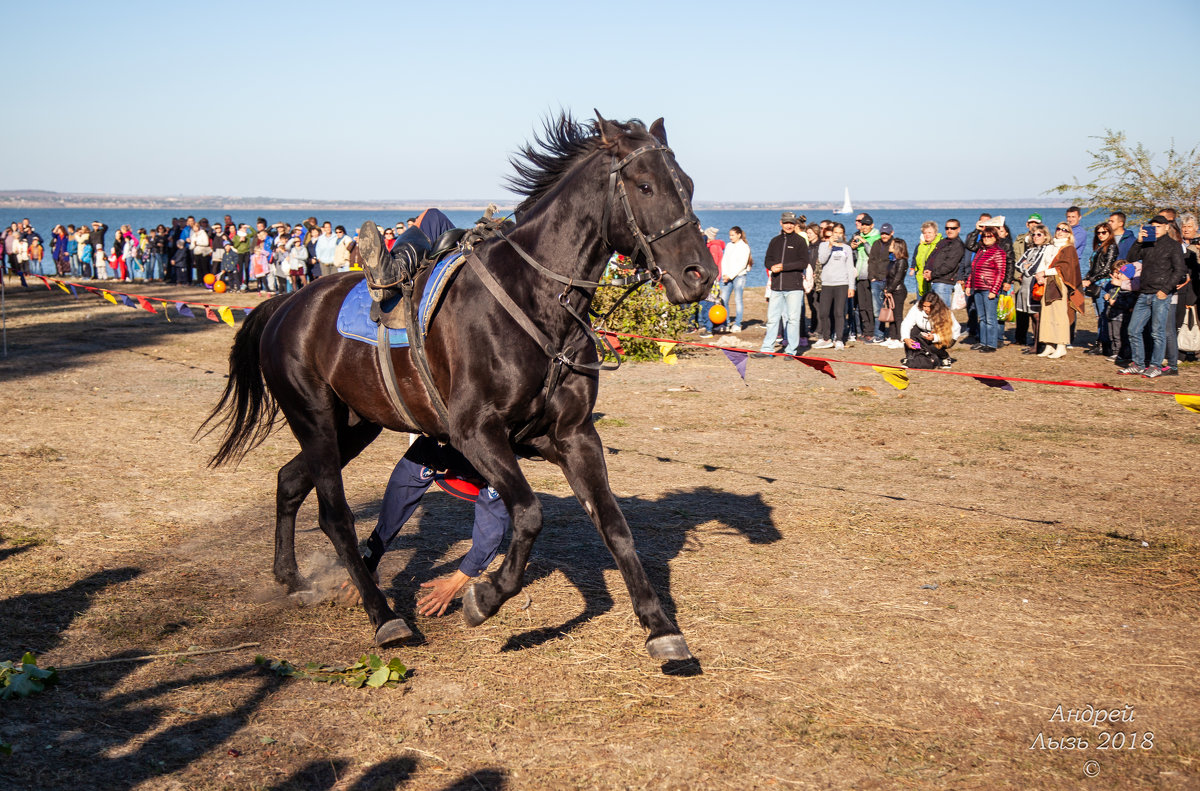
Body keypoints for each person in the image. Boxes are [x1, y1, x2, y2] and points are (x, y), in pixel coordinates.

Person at [350, 437, 510, 617]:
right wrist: (369, 563)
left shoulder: (495, 464)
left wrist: (453, 584)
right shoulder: (435, 449)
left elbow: (490, 534)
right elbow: (400, 498)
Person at [1120, 214, 1187, 377]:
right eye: (1153, 226)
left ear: (1166, 227)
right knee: (1133, 329)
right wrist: (1139, 241)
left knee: (1157, 331)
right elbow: (1130, 259)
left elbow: (1180, 271)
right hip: (1144, 293)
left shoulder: (1173, 246)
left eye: (1159, 226)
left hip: (1161, 294)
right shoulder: (1147, 244)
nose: (1155, 229)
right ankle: (1138, 363)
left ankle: (1156, 365)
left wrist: (1165, 290)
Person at [759, 212, 808, 356]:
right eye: (786, 222)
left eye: (791, 223)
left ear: (795, 225)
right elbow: (767, 260)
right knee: (772, 319)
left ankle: (791, 351)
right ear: (781, 223)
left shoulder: (800, 241)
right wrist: (772, 267)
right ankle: (767, 349)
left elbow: (803, 262)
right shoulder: (775, 241)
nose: (789, 225)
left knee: (793, 319)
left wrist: (783, 266)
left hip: (794, 287)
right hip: (776, 287)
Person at [1035, 223, 1083, 359]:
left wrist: (1045, 272)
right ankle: (1049, 344)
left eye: (1064, 230)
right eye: (1058, 229)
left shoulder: (1068, 249)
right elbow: (1042, 263)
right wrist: (1039, 275)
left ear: (1069, 234)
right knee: (1046, 314)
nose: (1060, 232)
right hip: (1046, 281)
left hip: (1059, 283)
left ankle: (1061, 345)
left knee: (1059, 314)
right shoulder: (1050, 247)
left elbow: (1063, 269)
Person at [1011, 223, 1053, 352]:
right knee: (1031, 315)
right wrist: (1025, 267)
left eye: (1039, 234)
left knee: (1037, 315)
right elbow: (1018, 265)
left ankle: (1039, 344)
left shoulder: (1047, 249)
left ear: (1045, 236)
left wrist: (1026, 268)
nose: (1035, 237)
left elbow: (1033, 269)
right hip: (1025, 285)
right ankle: (1036, 343)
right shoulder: (1030, 249)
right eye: (1033, 234)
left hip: (1035, 285)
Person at [812, 223, 854, 349]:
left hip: (842, 283)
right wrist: (830, 246)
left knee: (839, 312)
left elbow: (850, 268)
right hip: (827, 284)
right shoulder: (823, 245)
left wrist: (851, 286)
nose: (837, 235)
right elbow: (822, 260)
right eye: (835, 232)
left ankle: (839, 338)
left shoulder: (847, 248)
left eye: (840, 233)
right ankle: (826, 338)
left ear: (843, 234)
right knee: (824, 312)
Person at [965, 227, 1006, 353]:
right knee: (982, 317)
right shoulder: (980, 251)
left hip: (989, 288)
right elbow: (974, 269)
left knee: (990, 318)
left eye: (990, 236)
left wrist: (994, 290)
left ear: (995, 237)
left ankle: (992, 344)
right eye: (984, 236)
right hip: (977, 287)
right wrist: (968, 285)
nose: (987, 239)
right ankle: (983, 342)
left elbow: (1000, 273)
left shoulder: (998, 252)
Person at [1082, 222, 1120, 356]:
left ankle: (1105, 344)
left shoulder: (1111, 247)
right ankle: (1101, 342)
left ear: (1109, 233)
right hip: (1096, 284)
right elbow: (1094, 267)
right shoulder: (1099, 247)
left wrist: (1090, 280)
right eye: (1098, 233)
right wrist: (1086, 277)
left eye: (1104, 232)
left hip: (1104, 284)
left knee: (1104, 315)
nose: (1101, 235)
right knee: (1099, 315)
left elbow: (1107, 268)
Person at [899, 292, 960, 368]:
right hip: (927, 332)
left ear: (935, 306)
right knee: (912, 334)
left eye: (929, 307)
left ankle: (944, 356)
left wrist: (935, 337)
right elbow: (906, 323)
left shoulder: (944, 313)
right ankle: (912, 357)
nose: (925, 309)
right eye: (924, 306)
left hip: (948, 336)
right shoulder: (917, 308)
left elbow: (950, 333)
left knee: (930, 346)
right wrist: (906, 338)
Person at [850, 213, 882, 343]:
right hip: (859, 275)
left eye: (867, 225)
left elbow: (873, 255)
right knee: (861, 306)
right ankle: (864, 331)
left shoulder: (876, 238)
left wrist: (865, 242)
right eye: (863, 225)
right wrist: (853, 248)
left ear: (872, 225)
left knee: (870, 306)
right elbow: (855, 256)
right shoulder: (858, 236)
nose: (864, 227)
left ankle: (871, 332)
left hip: (870, 275)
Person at [922, 219, 965, 305]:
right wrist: (926, 269)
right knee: (934, 311)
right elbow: (931, 257)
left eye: (953, 228)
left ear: (958, 229)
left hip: (944, 282)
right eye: (947, 228)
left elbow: (949, 266)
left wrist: (932, 274)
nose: (949, 230)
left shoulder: (957, 245)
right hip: (935, 281)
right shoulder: (943, 242)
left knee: (942, 311)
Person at [879, 236, 909, 348]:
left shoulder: (902, 262)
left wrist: (890, 289)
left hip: (898, 291)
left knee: (897, 315)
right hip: (890, 290)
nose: (889, 247)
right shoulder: (892, 260)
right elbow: (889, 276)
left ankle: (900, 338)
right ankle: (892, 337)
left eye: (892, 245)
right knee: (890, 315)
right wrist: (886, 289)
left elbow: (898, 278)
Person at [718, 226, 750, 333]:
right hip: (727, 276)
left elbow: (742, 264)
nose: (730, 237)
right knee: (723, 299)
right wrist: (724, 274)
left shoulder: (744, 247)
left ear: (739, 235)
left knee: (738, 300)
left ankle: (737, 323)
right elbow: (724, 260)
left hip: (739, 276)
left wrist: (731, 275)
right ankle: (725, 323)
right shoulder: (729, 245)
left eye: (732, 235)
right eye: (730, 235)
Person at [913, 221, 940, 297]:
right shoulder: (920, 246)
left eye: (929, 232)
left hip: (934, 279)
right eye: (925, 233)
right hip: (921, 280)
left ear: (935, 233)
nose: (927, 235)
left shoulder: (940, 245)